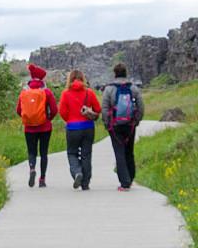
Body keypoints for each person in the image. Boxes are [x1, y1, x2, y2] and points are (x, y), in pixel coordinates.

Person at [101, 60, 145, 191]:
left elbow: (104, 108)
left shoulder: (109, 89)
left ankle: (124, 183)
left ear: (115, 73)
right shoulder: (133, 88)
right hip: (130, 125)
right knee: (129, 152)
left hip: (115, 126)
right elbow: (141, 106)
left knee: (119, 153)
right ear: (126, 73)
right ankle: (130, 178)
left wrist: (107, 123)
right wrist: (136, 121)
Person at [56, 69, 102, 190]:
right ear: (83, 78)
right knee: (86, 154)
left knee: (72, 153)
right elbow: (98, 109)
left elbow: (62, 112)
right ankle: (85, 183)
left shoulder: (65, 94)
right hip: (88, 127)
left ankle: (77, 172)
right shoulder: (89, 92)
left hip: (72, 128)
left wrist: (70, 120)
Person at [15, 63, 57, 188]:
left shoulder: (24, 92)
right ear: (41, 78)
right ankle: (42, 179)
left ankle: (32, 169)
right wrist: (48, 119)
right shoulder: (46, 92)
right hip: (45, 127)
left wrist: (28, 118)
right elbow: (54, 109)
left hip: (29, 128)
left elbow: (18, 110)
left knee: (31, 152)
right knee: (43, 153)